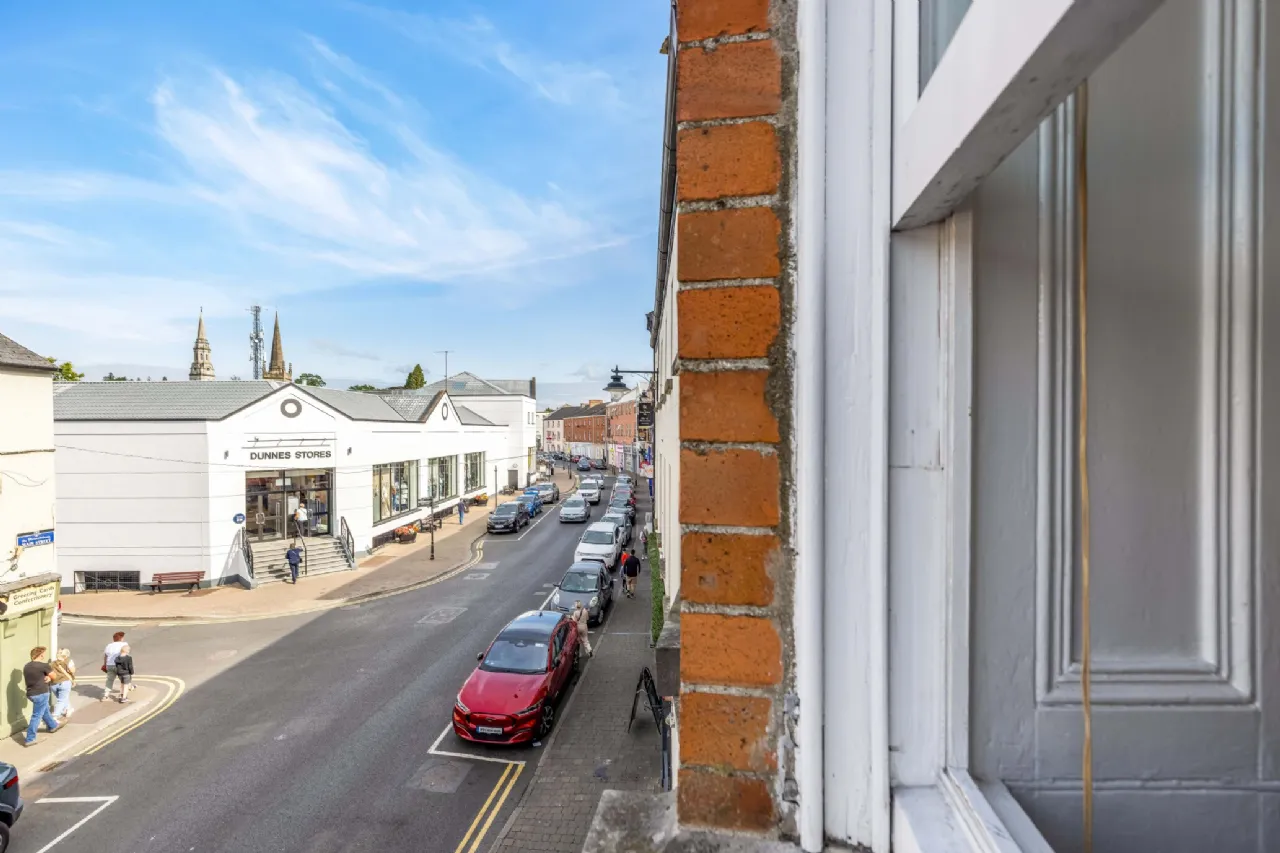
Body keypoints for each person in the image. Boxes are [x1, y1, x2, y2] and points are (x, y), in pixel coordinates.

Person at [23, 646, 59, 746]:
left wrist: (46, 677)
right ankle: (30, 739)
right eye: (43, 653)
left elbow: (36, 676)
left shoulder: (27, 666)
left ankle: (53, 726)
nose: (44, 655)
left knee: (44, 710)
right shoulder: (44, 666)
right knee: (37, 715)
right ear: (41, 655)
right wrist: (48, 677)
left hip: (31, 693)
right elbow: (54, 676)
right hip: (41, 692)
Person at [50, 648, 76, 720]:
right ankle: (55, 716)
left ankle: (68, 709)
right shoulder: (68, 661)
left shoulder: (52, 663)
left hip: (54, 684)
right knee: (61, 700)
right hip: (64, 682)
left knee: (62, 698)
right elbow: (72, 671)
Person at [101, 631, 126, 701]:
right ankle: (122, 695)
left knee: (109, 680)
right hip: (119, 665)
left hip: (110, 665)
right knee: (123, 680)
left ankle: (106, 695)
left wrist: (105, 664)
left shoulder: (109, 645)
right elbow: (125, 654)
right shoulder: (124, 644)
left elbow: (106, 656)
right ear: (121, 638)